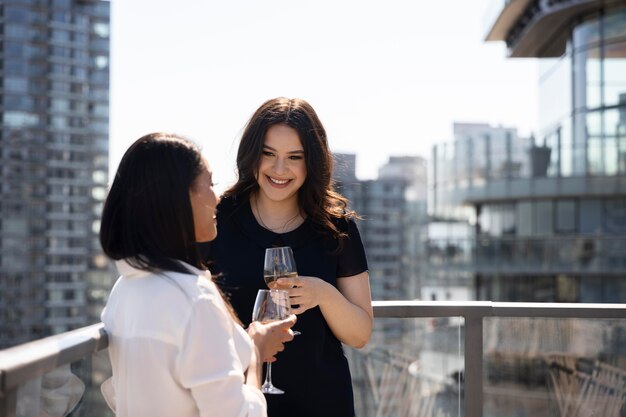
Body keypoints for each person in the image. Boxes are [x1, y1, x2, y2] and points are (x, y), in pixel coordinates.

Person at [99, 133, 295, 417]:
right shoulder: (193, 298)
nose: (217, 198)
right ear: (178, 199)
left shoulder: (126, 287)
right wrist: (254, 356)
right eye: (210, 184)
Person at [202, 98, 373, 417]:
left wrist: (323, 294)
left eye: (294, 157)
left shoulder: (336, 227)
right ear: (252, 154)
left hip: (322, 404)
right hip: (236, 404)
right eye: (268, 154)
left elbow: (360, 334)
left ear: (313, 162)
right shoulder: (217, 218)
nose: (279, 169)